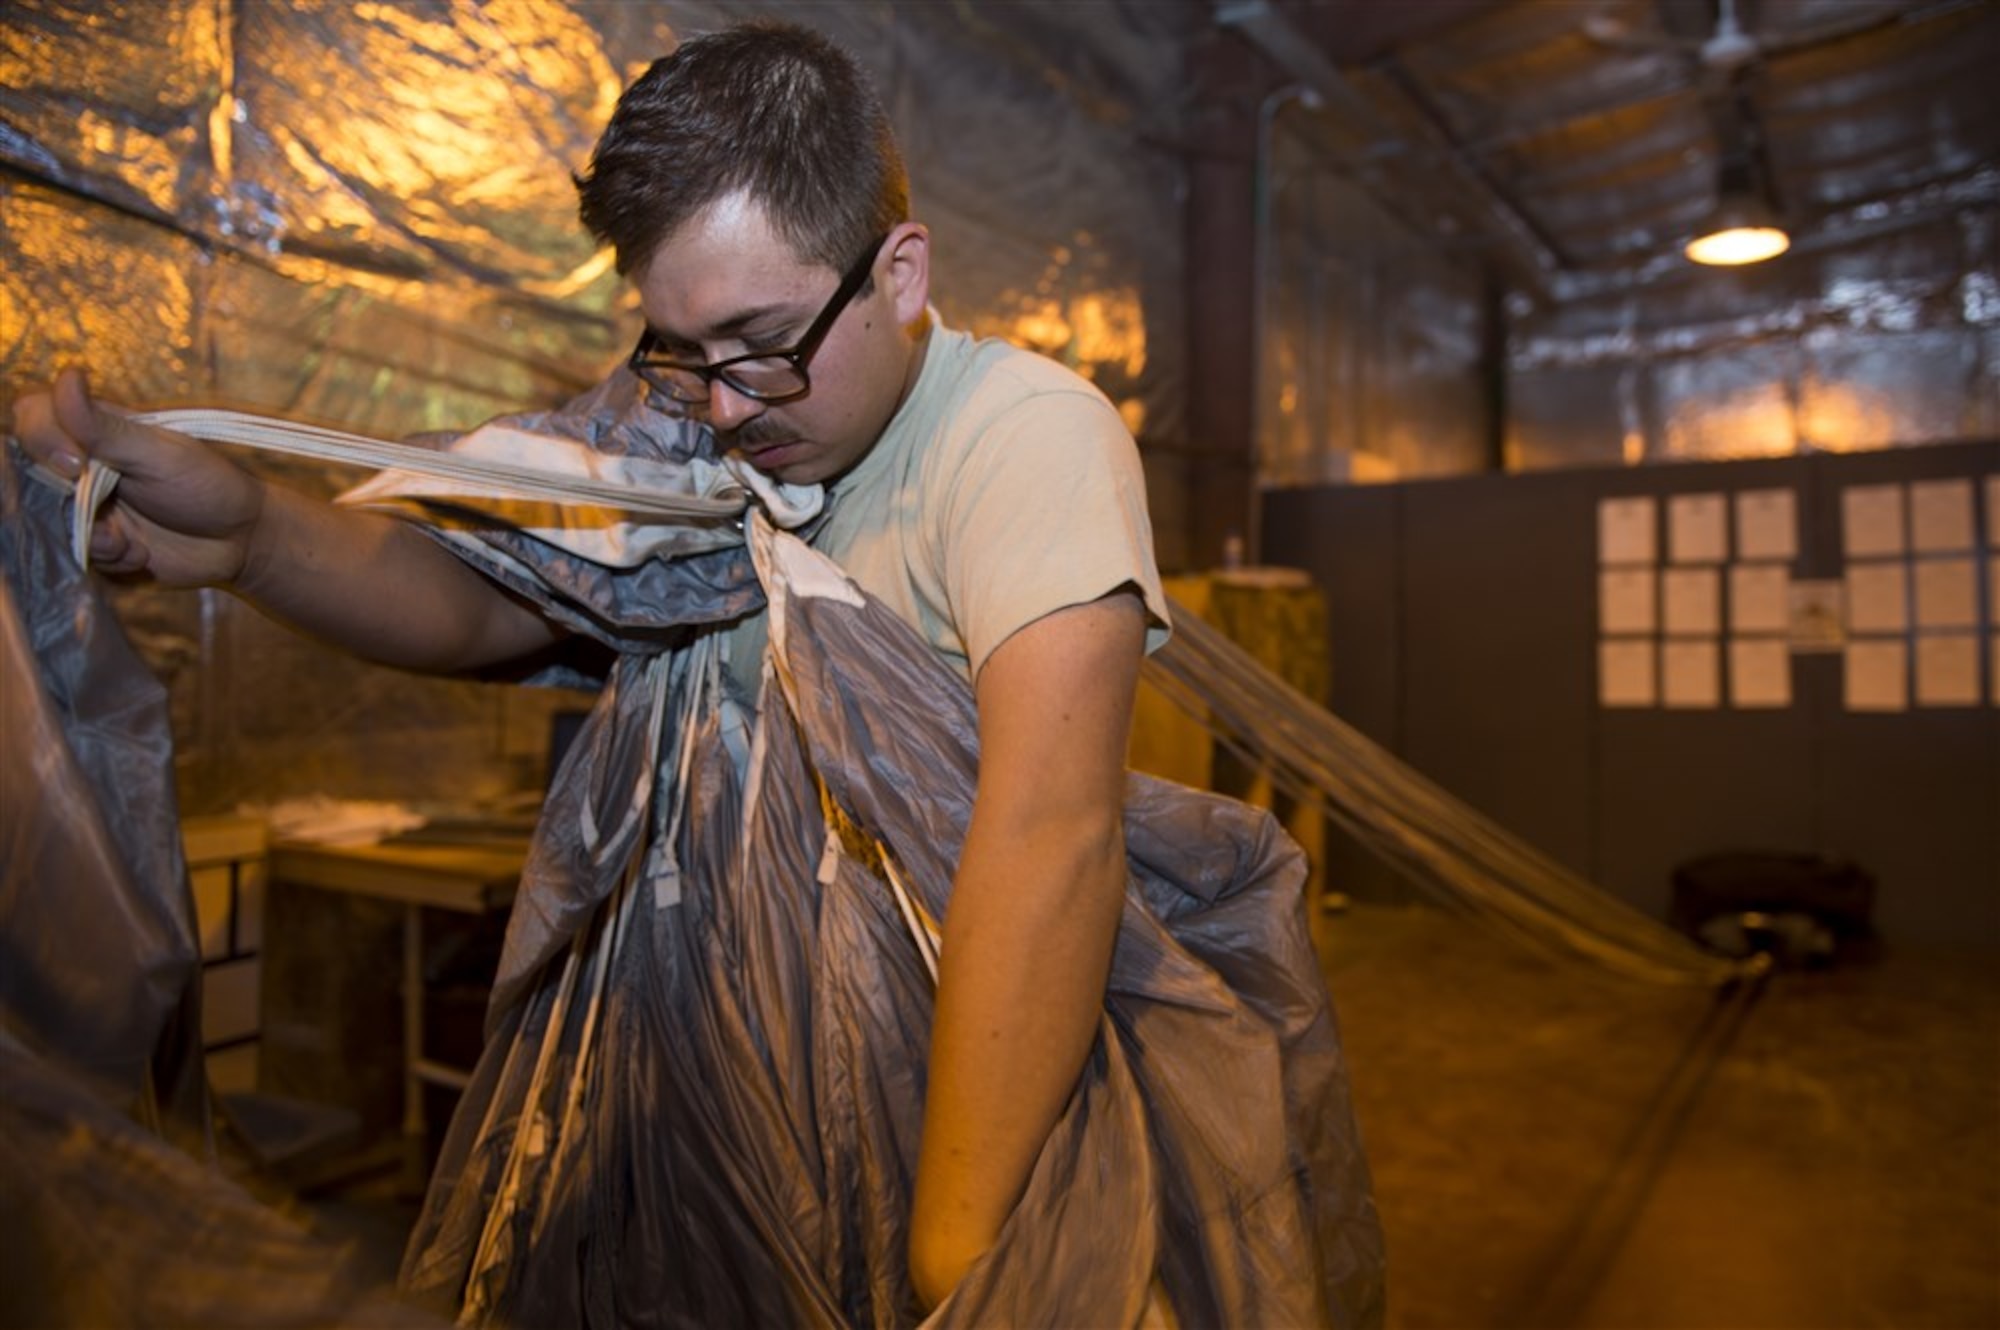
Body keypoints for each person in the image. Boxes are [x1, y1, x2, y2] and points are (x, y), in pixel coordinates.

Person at [14, 21, 1381, 1327]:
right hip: (715, 1107)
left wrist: (961, 1255)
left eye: (764, 342)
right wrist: (250, 531)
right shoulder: (690, 444)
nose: (724, 403)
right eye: (684, 351)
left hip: (956, 1113)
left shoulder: (1021, 436)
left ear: (899, 274)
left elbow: (1050, 831)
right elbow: (490, 597)